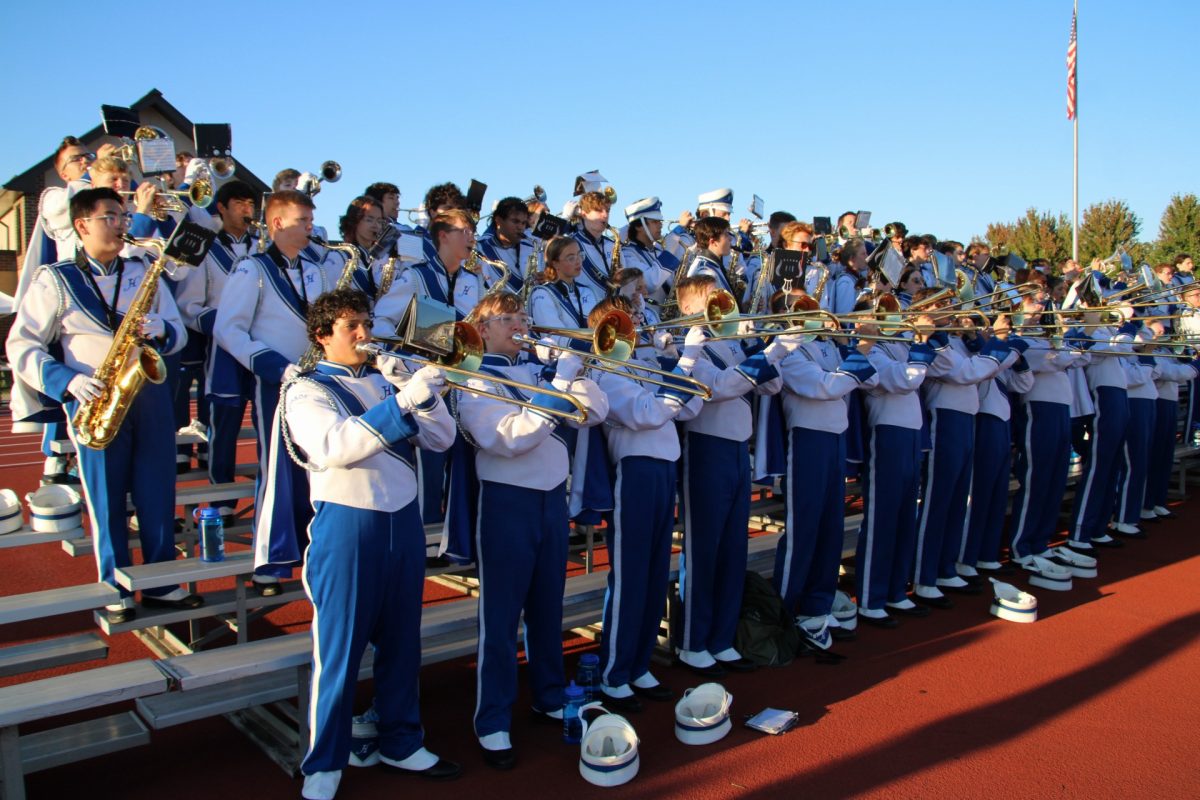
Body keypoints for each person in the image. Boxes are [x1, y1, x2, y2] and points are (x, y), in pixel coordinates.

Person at [281, 290, 460, 800]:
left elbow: (443, 440)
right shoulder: (305, 389)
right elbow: (335, 446)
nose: (364, 334)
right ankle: (325, 760)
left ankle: (402, 740)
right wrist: (403, 400)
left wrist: (419, 392)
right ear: (322, 335)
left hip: (401, 521)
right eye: (350, 326)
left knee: (403, 642)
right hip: (348, 525)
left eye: (365, 323)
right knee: (338, 651)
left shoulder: (386, 380)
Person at [6, 187, 201, 623]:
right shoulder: (54, 279)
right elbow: (22, 344)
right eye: (110, 216)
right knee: (107, 500)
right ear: (82, 225)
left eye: (123, 216)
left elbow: (178, 332)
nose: (121, 224)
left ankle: (162, 581)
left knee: (157, 493)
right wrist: (67, 381)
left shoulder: (143, 268)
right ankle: (114, 585)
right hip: (93, 396)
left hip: (147, 396)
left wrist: (163, 331)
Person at [456, 291, 607, 770]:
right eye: (507, 318)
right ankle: (493, 719)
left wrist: (578, 372)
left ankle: (546, 694)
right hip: (506, 502)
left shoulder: (540, 370)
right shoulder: (474, 377)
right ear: (482, 327)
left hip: (550, 499)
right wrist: (559, 380)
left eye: (522, 316)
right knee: (500, 620)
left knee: (547, 610)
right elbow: (508, 437)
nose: (520, 324)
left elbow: (596, 414)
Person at [214, 189, 331, 594]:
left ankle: (311, 548)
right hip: (276, 381)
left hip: (317, 378)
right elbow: (228, 328)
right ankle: (272, 556)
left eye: (311, 221)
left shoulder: (315, 269)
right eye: (303, 221)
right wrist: (273, 365)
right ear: (278, 223)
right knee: (279, 468)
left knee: (318, 465)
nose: (310, 228)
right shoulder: (252, 269)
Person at [589, 296, 701, 710]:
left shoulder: (646, 363)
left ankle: (638, 665)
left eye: (635, 317)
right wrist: (685, 365)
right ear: (607, 328)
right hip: (633, 471)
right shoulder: (606, 370)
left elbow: (692, 406)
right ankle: (614, 671)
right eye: (627, 319)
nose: (637, 324)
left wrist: (673, 360)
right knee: (630, 575)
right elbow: (647, 414)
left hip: (663, 468)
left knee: (656, 574)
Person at [673, 275, 783, 674]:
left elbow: (772, 387)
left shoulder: (732, 341)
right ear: (688, 308)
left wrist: (760, 347)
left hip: (738, 449)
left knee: (734, 548)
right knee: (703, 550)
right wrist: (770, 354)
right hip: (706, 448)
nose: (721, 307)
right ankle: (692, 641)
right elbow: (717, 387)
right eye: (709, 300)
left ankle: (721, 636)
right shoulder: (688, 347)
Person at [772, 294, 877, 649]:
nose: (815, 317)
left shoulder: (828, 345)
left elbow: (855, 380)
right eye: (804, 312)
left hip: (835, 437)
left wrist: (856, 349)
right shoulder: (789, 350)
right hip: (807, 438)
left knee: (831, 528)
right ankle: (783, 615)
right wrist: (861, 352)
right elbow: (823, 387)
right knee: (804, 530)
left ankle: (816, 606)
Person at [911, 289, 1019, 607]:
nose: (951, 309)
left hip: (965, 417)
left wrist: (979, 338)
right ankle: (924, 575)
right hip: (944, 416)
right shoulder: (929, 338)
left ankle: (946, 565)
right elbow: (965, 373)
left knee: (958, 498)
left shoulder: (956, 337)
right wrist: (998, 341)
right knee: (939, 499)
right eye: (942, 304)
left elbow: (983, 368)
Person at [174, 180, 260, 519]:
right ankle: (222, 500)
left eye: (251, 203)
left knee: (268, 419)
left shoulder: (263, 246)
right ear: (221, 207)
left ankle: (269, 489)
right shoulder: (205, 246)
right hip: (222, 347)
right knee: (223, 421)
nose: (247, 210)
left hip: (262, 342)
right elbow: (189, 305)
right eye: (239, 202)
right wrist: (227, 325)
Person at [853, 293, 937, 627]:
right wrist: (921, 341)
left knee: (905, 516)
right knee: (882, 518)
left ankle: (896, 591)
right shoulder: (870, 351)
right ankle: (871, 598)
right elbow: (905, 380)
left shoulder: (899, 345)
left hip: (910, 430)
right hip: (885, 431)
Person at [1008, 294, 1090, 563]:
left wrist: (1079, 335)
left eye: (1041, 304)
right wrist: (1063, 344)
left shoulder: (1046, 337)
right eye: (1034, 303)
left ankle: (1041, 542)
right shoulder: (1020, 339)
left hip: (1061, 409)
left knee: (1055, 480)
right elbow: (1054, 361)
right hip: (1038, 409)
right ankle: (1022, 546)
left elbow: (1081, 358)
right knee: (1037, 480)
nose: (1041, 308)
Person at [373, 209, 483, 331]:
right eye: (465, 232)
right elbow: (381, 319)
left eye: (473, 233)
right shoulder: (416, 277)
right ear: (443, 236)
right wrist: (398, 349)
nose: (472, 239)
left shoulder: (476, 282)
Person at [528, 237, 599, 331]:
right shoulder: (543, 294)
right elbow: (554, 336)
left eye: (579, 255)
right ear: (555, 264)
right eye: (571, 258)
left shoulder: (588, 291)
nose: (578, 261)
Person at [619, 197, 677, 305]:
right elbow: (650, 282)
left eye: (660, 221)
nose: (660, 225)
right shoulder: (628, 254)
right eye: (655, 221)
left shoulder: (659, 250)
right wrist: (669, 251)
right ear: (638, 226)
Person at [475, 197, 533, 294]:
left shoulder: (531, 248)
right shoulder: (479, 248)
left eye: (523, 223)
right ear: (498, 221)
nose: (520, 227)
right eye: (515, 221)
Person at [570, 190, 616, 299]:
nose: (605, 215)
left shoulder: (613, 245)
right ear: (584, 214)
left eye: (607, 210)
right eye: (599, 210)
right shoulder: (570, 245)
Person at [685, 217, 737, 296]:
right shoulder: (705, 271)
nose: (730, 238)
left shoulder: (712, 265)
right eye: (726, 234)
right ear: (713, 242)